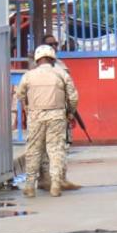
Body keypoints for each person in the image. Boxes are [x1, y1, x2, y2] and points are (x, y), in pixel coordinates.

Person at [16, 45, 79, 198]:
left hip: (35, 116)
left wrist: (28, 108)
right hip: (57, 115)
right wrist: (70, 112)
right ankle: (56, 184)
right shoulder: (61, 74)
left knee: (33, 151)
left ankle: (30, 186)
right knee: (56, 150)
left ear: (37, 59)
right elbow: (73, 97)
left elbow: (20, 94)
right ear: (52, 59)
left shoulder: (28, 76)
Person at [35, 34, 82, 192]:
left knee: (62, 146)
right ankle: (46, 179)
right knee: (46, 148)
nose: (54, 47)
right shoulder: (37, 70)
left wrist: (71, 111)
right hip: (45, 113)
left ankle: (60, 178)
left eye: (56, 44)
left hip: (61, 111)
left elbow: (70, 92)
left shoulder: (61, 65)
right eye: (51, 44)